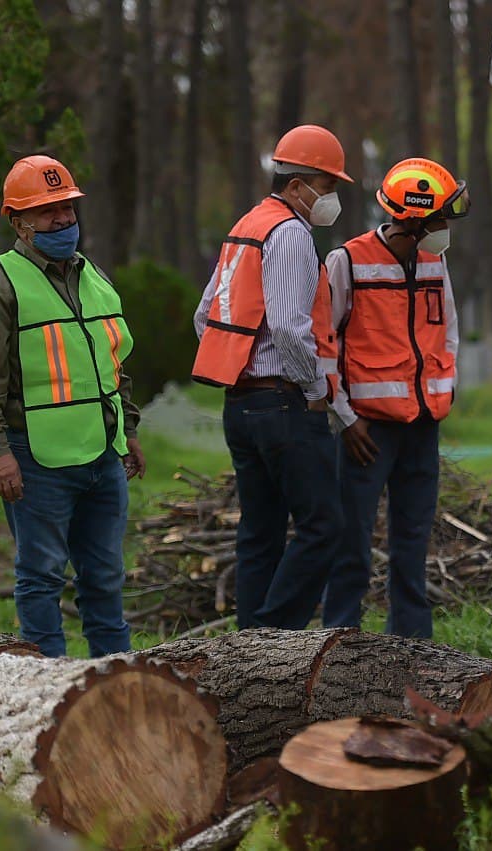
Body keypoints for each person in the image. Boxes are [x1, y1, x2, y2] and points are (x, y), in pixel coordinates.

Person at [0, 155, 145, 657]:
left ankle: (116, 681)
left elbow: (111, 363)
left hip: (102, 457)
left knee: (105, 579)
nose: (63, 219)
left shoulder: (93, 275)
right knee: (41, 577)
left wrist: (127, 430)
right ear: (18, 223)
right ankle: (44, 693)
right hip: (35, 459)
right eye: (47, 211)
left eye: (67, 207)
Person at [192, 124, 349, 630]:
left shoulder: (247, 226)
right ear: (301, 183)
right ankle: (276, 638)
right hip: (285, 404)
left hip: (240, 405)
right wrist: (313, 389)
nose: (331, 200)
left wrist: (240, 365)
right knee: (323, 526)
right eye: (328, 188)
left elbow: (204, 317)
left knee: (259, 532)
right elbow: (288, 326)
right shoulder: (289, 233)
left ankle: (249, 646)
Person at [321, 158, 467, 638]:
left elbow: (447, 331)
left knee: (413, 539)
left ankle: (412, 642)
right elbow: (326, 344)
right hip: (366, 430)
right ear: (414, 220)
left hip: (423, 424)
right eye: (440, 219)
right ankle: (341, 638)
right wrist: (344, 418)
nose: (445, 229)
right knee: (352, 540)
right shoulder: (347, 261)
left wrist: (443, 393)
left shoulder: (435, 260)